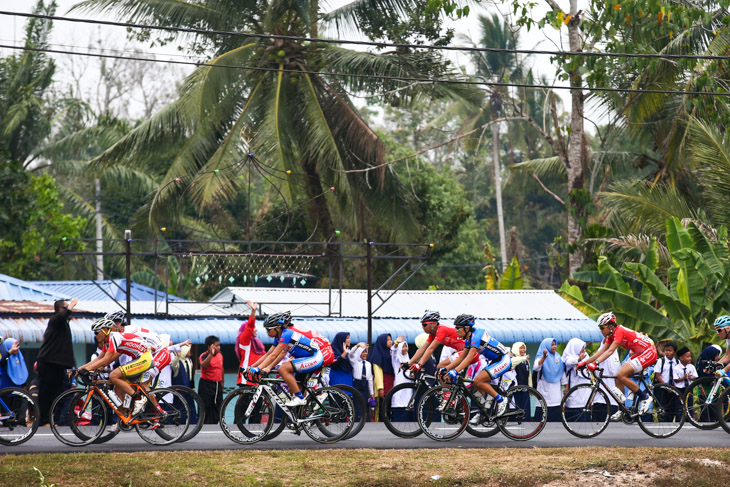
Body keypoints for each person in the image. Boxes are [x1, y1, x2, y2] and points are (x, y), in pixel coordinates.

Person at [246, 311, 335, 407]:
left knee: (283, 368)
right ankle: (299, 418)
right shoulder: (278, 337)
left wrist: (258, 369)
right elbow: (268, 354)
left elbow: (274, 355)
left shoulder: (287, 334)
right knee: (294, 389)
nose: (266, 332)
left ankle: (303, 398)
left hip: (315, 357)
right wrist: (251, 366)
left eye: (268, 329)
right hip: (307, 357)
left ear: (277, 328)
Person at [578, 312, 657, 416]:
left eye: (602, 328)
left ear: (610, 326)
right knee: (617, 376)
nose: (601, 330)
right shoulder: (611, 335)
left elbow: (610, 351)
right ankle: (622, 408)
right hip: (639, 353)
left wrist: (596, 363)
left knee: (621, 374)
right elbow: (601, 352)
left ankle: (645, 398)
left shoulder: (619, 330)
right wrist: (584, 362)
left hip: (648, 351)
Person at [78, 318, 155, 418]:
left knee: (113, 376)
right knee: (117, 388)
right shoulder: (107, 342)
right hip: (138, 358)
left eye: (97, 332)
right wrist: (79, 369)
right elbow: (98, 359)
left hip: (144, 358)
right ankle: (124, 418)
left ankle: (138, 398)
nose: (95, 336)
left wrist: (87, 370)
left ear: (105, 330)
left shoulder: (114, 337)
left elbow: (106, 360)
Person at [442, 314, 511, 420]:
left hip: (503, 360)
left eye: (458, 328)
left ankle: (501, 400)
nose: (456, 330)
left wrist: (455, 371)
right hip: (495, 361)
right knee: (476, 384)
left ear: (466, 328)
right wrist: (447, 369)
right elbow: (461, 358)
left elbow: (469, 358)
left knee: (478, 381)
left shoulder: (477, 335)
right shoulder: (469, 339)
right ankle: (483, 410)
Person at [37, 298, 78, 425]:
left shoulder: (64, 324)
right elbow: (61, 317)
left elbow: (66, 349)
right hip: (49, 362)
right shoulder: (55, 320)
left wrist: (73, 366)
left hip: (59, 364)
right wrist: (71, 305)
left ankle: (51, 418)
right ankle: (42, 419)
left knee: (56, 393)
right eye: (65, 308)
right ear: (61, 309)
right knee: (46, 392)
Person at [234, 301, 266, 386]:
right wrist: (253, 311)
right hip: (246, 378)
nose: (255, 329)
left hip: (257, 378)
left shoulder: (257, 344)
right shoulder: (244, 341)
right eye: (254, 327)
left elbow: (266, 356)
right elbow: (250, 325)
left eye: (255, 327)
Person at [533, 337, 565, 422]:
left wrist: (566, 386)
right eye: (552, 345)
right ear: (546, 346)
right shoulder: (540, 357)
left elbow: (562, 372)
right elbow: (536, 367)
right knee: (542, 420)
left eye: (555, 344)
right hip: (544, 391)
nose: (555, 346)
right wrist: (544, 357)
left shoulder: (558, 357)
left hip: (556, 395)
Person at [199, 335, 223, 424]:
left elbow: (221, 368)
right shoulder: (204, 356)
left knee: (218, 406)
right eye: (216, 345)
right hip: (206, 385)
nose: (218, 347)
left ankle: (215, 424)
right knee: (205, 407)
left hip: (217, 384)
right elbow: (204, 365)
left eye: (219, 345)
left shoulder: (220, 355)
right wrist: (211, 354)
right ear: (209, 347)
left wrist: (222, 383)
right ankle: (203, 425)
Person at [349, 343, 375, 421]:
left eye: (366, 352)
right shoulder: (355, 362)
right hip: (357, 384)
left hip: (365, 385)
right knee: (357, 405)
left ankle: (366, 421)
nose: (364, 354)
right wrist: (357, 346)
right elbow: (351, 354)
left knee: (366, 405)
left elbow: (370, 378)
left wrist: (372, 393)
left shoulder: (368, 364)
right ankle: (358, 421)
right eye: (363, 352)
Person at [369, 333, 395, 408]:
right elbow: (377, 373)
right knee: (382, 407)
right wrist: (380, 388)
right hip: (384, 384)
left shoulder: (390, 353)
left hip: (392, 383)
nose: (390, 341)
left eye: (390, 339)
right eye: (387, 340)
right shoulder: (377, 356)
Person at [672, 347, 696, 421]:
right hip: (680, 389)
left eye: (690, 356)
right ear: (681, 358)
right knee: (679, 406)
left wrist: (690, 377)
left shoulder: (691, 367)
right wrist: (684, 378)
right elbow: (676, 380)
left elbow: (695, 378)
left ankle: (690, 420)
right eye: (687, 357)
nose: (690, 358)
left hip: (688, 388)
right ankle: (679, 420)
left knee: (689, 405)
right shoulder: (676, 368)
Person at [711, 316, 730, 386]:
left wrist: (724, 370)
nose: (717, 333)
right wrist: (715, 364)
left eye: (719, 330)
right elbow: (728, 356)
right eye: (716, 331)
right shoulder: (728, 339)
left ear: (727, 329)